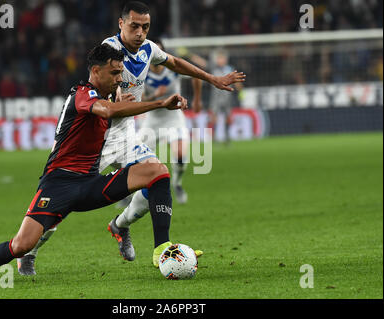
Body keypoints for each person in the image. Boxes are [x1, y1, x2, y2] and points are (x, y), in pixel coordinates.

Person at [18, 1, 246, 274]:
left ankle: (121, 225)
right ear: (121, 24)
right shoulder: (110, 49)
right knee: (61, 204)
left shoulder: (149, 49)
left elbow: (174, 62)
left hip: (126, 135)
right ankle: (28, 252)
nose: (140, 32)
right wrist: (113, 99)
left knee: (156, 177)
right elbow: (94, 89)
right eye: (134, 26)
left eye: (145, 27)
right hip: (95, 140)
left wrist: (212, 79)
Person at [0, 43, 188, 286]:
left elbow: (108, 116)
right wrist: (158, 103)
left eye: (120, 72)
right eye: (114, 73)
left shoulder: (108, 97)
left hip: (91, 183)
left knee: (157, 172)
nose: (119, 78)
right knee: (22, 245)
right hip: (59, 184)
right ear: (95, 71)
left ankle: (161, 249)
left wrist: (120, 105)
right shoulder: (82, 93)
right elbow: (106, 112)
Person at [141, 39, 202, 204]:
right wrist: (155, 96)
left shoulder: (173, 68)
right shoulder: (142, 72)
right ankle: (129, 195)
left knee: (181, 154)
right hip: (152, 120)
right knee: (136, 161)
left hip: (173, 118)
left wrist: (197, 99)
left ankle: (177, 183)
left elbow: (195, 75)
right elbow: (140, 100)